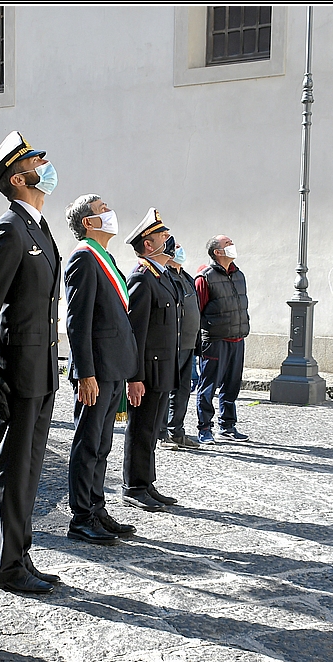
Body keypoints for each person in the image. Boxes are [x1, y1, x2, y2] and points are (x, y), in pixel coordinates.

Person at [0, 131, 62, 594]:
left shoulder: (37, 227)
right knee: (12, 467)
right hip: (18, 370)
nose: (47, 168)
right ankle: (5, 564)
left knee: (29, 469)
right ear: (20, 179)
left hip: (42, 368)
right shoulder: (9, 229)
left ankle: (20, 555)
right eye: (38, 163)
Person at [63, 194, 139, 546]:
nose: (110, 213)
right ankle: (81, 516)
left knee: (103, 445)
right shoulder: (84, 257)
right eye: (102, 209)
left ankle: (97, 507)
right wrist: (85, 372)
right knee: (88, 443)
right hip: (96, 369)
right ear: (89, 222)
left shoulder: (105, 257)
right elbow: (77, 321)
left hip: (113, 367)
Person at [121, 209, 181, 511]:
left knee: (152, 430)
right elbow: (136, 332)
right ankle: (133, 486)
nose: (167, 238)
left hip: (163, 368)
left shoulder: (162, 276)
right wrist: (135, 377)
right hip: (148, 371)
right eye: (161, 235)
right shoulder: (142, 278)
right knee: (140, 429)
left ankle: (146, 482)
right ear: (148, 244)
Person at [195, 235, 251, 443]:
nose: (232, 245)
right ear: (217, 252)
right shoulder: (205, 278)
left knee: (232, 385)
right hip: (215, 340)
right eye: (228, 243)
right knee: (208, 386)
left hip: (237, 338)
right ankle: (204, 428)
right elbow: (197, 311)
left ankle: (227, 426)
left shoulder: (239, 275)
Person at [158, 236, 202, 449]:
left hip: (188, 344)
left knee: (183, 391)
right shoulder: (164, 277)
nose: (179, 249)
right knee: (165, 391)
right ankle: (161, 433)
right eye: (175, 247)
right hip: (171, 345)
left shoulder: (186, 277)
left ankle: (177, 431)